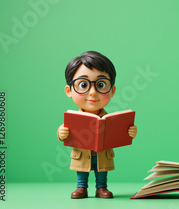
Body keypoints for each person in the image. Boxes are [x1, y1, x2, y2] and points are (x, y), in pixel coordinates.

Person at [57, 51, 137, 199]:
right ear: (69, 90)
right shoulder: (73, 118)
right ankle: (81, 187)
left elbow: (122, 133)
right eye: (83, 84)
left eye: (101, 85)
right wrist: (61, 132)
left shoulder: (111, 119)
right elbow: (64, 131)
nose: (93, 93)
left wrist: (130, 132)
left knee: (101, 170)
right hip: (82, 153)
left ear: (112, 90)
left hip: (102, 153)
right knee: (82, 170)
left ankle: (101, 187)